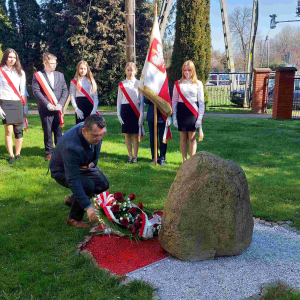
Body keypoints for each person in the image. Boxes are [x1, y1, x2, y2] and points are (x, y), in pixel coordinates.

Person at [49, 114, 109, 228]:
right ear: (84, 131)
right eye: (96, 136)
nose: (99, 138)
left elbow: (96, 154)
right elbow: (73, 179)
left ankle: (72, 199)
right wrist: (88, 207)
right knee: (88, 185)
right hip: (62, 171)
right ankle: (73, 218)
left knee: (103, 184)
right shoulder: (71, 146)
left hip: (83, 165)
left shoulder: (96, 132)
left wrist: (93, 163)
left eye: (102, 135)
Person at [32, 53, 68, 161]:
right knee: (47, 131)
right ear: (45, 63)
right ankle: (49, 152)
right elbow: (36, 91)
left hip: (58, 108)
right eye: (52, 63)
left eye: (55, 63)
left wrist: (60, 104)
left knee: (58, 131)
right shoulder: (38, 75)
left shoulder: (60, 75)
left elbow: (65, 90)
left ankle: (59, 151)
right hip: (45, 108)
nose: (54, 65)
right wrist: (47, 104)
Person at [172, 60, 205, 162]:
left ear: (193, 70)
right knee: (182, 138)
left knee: (192, 138)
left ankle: (192, 161)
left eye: (189, 70)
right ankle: (184, 161)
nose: (187, 72)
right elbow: (174, 101)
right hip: (182, 112)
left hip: (192, 113)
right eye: (185, 70)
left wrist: (199, 118)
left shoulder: (198, 84)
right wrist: (174, 117)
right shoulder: (178, 84)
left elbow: (201, 102)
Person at [0, 48, 27, 164]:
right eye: (10, 57)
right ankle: (11, 155)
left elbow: (22, 91)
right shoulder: (0, 71)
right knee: (8, 131)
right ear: (5, 58)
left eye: (14, 57)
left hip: (17, 103)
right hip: (5, 102)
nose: (12, 59)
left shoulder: (20, 72)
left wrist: (24, 106)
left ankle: (18, 154)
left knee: (18, 130)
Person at [117, 62, 144, 163]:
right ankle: (130, 155)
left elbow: (141, 101)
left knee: (135, 135)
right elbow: (119, 101)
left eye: (131, 70)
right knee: (127, 134)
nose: (130, 72)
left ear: (135, 71)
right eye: (128, 70)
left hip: (135, 111)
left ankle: (136, 156)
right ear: (125, 71)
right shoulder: (121, 84)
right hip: (125, 110)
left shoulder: (139, 83)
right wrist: (118, 114)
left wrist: (141, 115)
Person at [144, 81, 172, 165]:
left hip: (163, 115)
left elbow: (170, 101)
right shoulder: (149, 85)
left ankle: (162, 157)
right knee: (153, 137)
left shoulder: (167, 86)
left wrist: (169, 116)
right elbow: (146, 100)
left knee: (162, 137)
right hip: (152, 115)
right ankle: (154, 156)